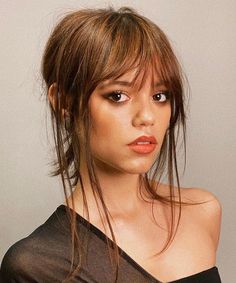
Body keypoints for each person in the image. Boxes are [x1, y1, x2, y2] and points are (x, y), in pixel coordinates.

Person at [0, 6, 222, 283]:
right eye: (118, 95)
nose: (147, 117)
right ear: (64, 102)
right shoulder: (36, 265)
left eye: (160, 95)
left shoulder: (202, 211)